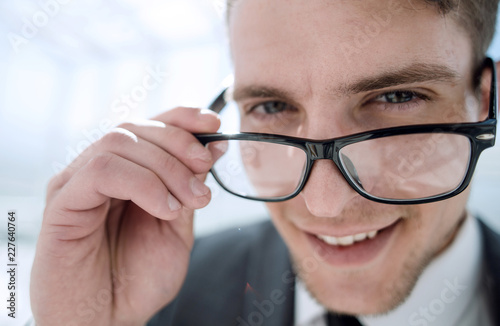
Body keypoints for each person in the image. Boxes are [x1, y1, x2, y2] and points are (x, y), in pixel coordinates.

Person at [30, 0, 500, 325]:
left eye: (397, 97)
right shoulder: (157, 298)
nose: (324, 205)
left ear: (482, 98)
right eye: (272, 108)